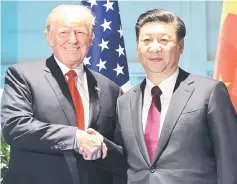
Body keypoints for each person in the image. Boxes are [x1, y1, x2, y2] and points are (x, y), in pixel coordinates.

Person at [82, 9, 237, 184]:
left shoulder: (209, 92)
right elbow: (125, 160)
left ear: (180, 46)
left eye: (164, 40)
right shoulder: (124, 101)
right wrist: (102, 145)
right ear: (138, 47)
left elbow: (230, 158)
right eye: (146, 40)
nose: (154, 48)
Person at [1, 4, 122, 184]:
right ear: (49, 37)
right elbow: (15, 126)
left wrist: (101, 145)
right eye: (64, 32)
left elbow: (121, 150)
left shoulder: (110, 88)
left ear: (91, 38)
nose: (73, 39)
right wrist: (75, 137)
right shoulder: (23, 76)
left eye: (80, 32)